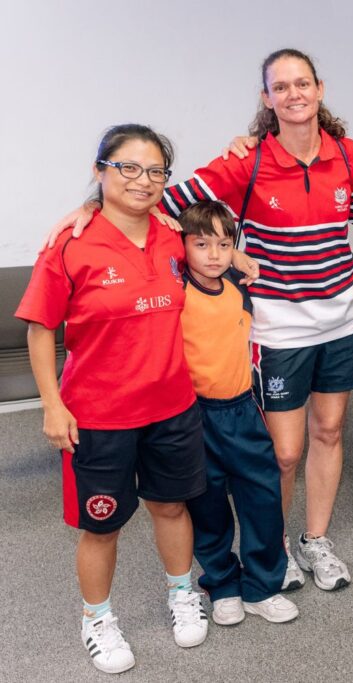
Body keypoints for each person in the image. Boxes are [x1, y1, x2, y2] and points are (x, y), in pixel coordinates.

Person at [161, 49, 353, 592]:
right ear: (267, 97)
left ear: (320, 89)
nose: (294, 94)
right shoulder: (247, 161)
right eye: (281, 87)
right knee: (284, 452)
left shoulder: (348, 155)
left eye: (302, 83)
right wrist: (229, 250)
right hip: (279, 325)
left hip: (343, 316)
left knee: (329, 431)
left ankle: (315, 540)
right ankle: (272, 546)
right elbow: (165, 207)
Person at [16, 124, 208, 674]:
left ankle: (182, 592)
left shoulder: (173, 235)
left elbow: (220, 246)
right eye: (128, 167)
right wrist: (52, 404)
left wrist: (242, 260)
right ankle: (96, 618)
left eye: (155, 171)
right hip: (98, 414)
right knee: (102, 524)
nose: (142, 180)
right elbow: (40, 330)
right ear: (100, 170)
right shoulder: (70, 244)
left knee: (171, 506)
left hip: (172, 405)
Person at [178, 200, 298, 625]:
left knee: (263, 498)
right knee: (207, 504)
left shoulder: (238, 286)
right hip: (195, 416)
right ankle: (223, 584)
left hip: (243, 410)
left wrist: (238, 257)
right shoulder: (175, 289)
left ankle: (262, 586)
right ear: (182, 246)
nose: (213, 254)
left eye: (223, 245)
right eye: (201, 244)